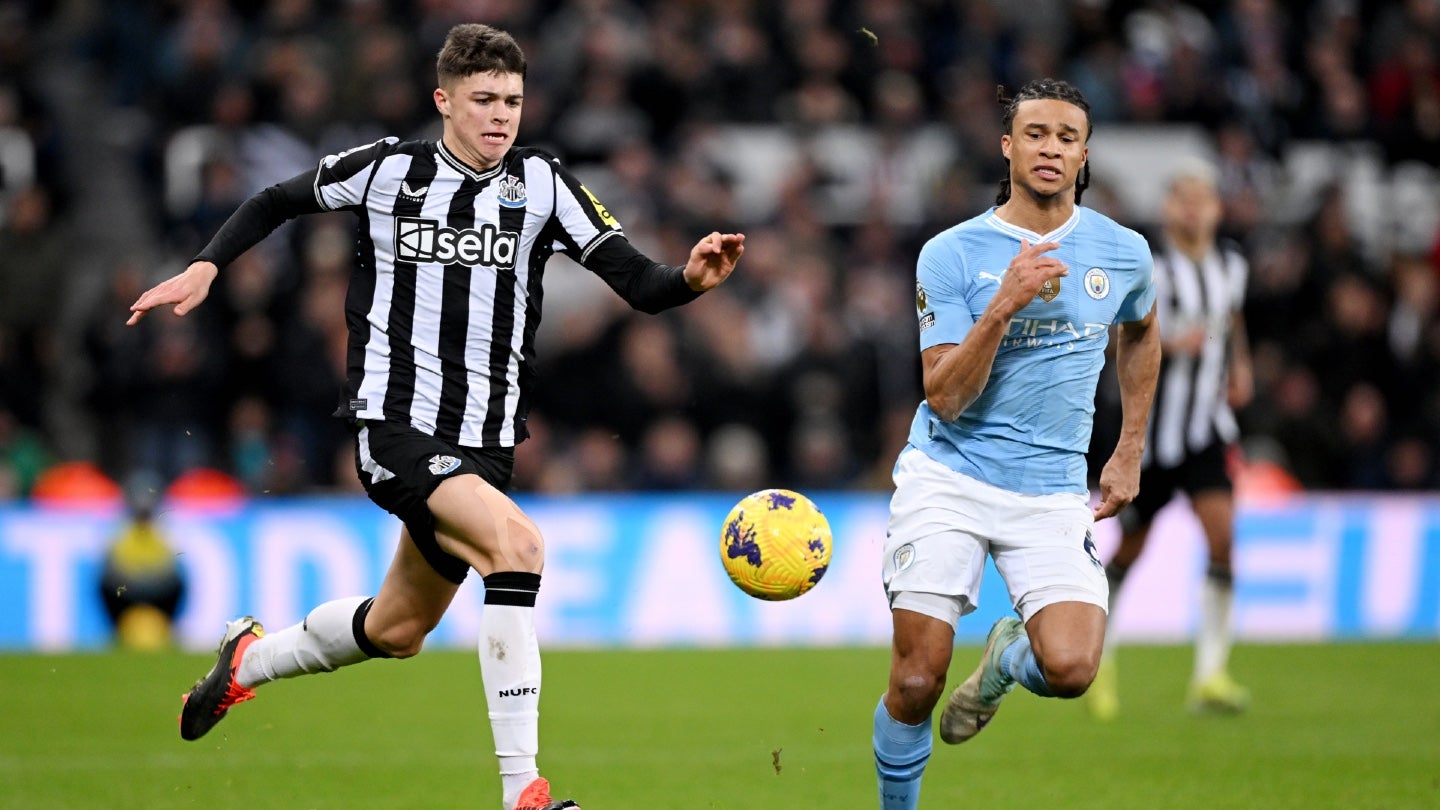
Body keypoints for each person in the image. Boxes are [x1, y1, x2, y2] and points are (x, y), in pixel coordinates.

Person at [127, 24, 743, 810]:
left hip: (486, 444)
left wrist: (690, 278)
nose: (501, 115)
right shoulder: (390, 170)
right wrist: (207, 265)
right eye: (483, 100)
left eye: (512, 100)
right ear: (444, 101)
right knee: (519, 548)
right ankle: (522, 792)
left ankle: (248, 661)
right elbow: (277, 199)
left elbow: (639, 283)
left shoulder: (543, 184)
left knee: (397, 630)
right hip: (396, 424)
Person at [871, 78, 1160, 809]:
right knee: (916, 680)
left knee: (1072, 669)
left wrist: (1129, 446)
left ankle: (1003, 661)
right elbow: (944, 396)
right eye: (1035, 134)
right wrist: (1003, 303)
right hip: (950, 477)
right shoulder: (951, 253)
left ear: (1084, 155)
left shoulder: (1123, 251)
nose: (1050, 149)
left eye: (1067, 137)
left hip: (1053, 488)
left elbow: (1141, 330)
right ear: (1007, 147)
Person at [1086, 160, 1253, 719]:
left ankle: (1211, 675)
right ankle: (1099, 663)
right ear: (1168, 208)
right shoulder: (1152, 266)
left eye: (1203, 199)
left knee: (1222, 539)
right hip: (1152, 436)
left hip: (1207, 429)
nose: (1193, 209)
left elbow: (1232, 319)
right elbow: (1120, 338)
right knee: (1130, 551)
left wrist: (1240, 366)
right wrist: (1173, 346)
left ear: (1217, 209)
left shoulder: (1232, 264)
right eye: (1184, 198)